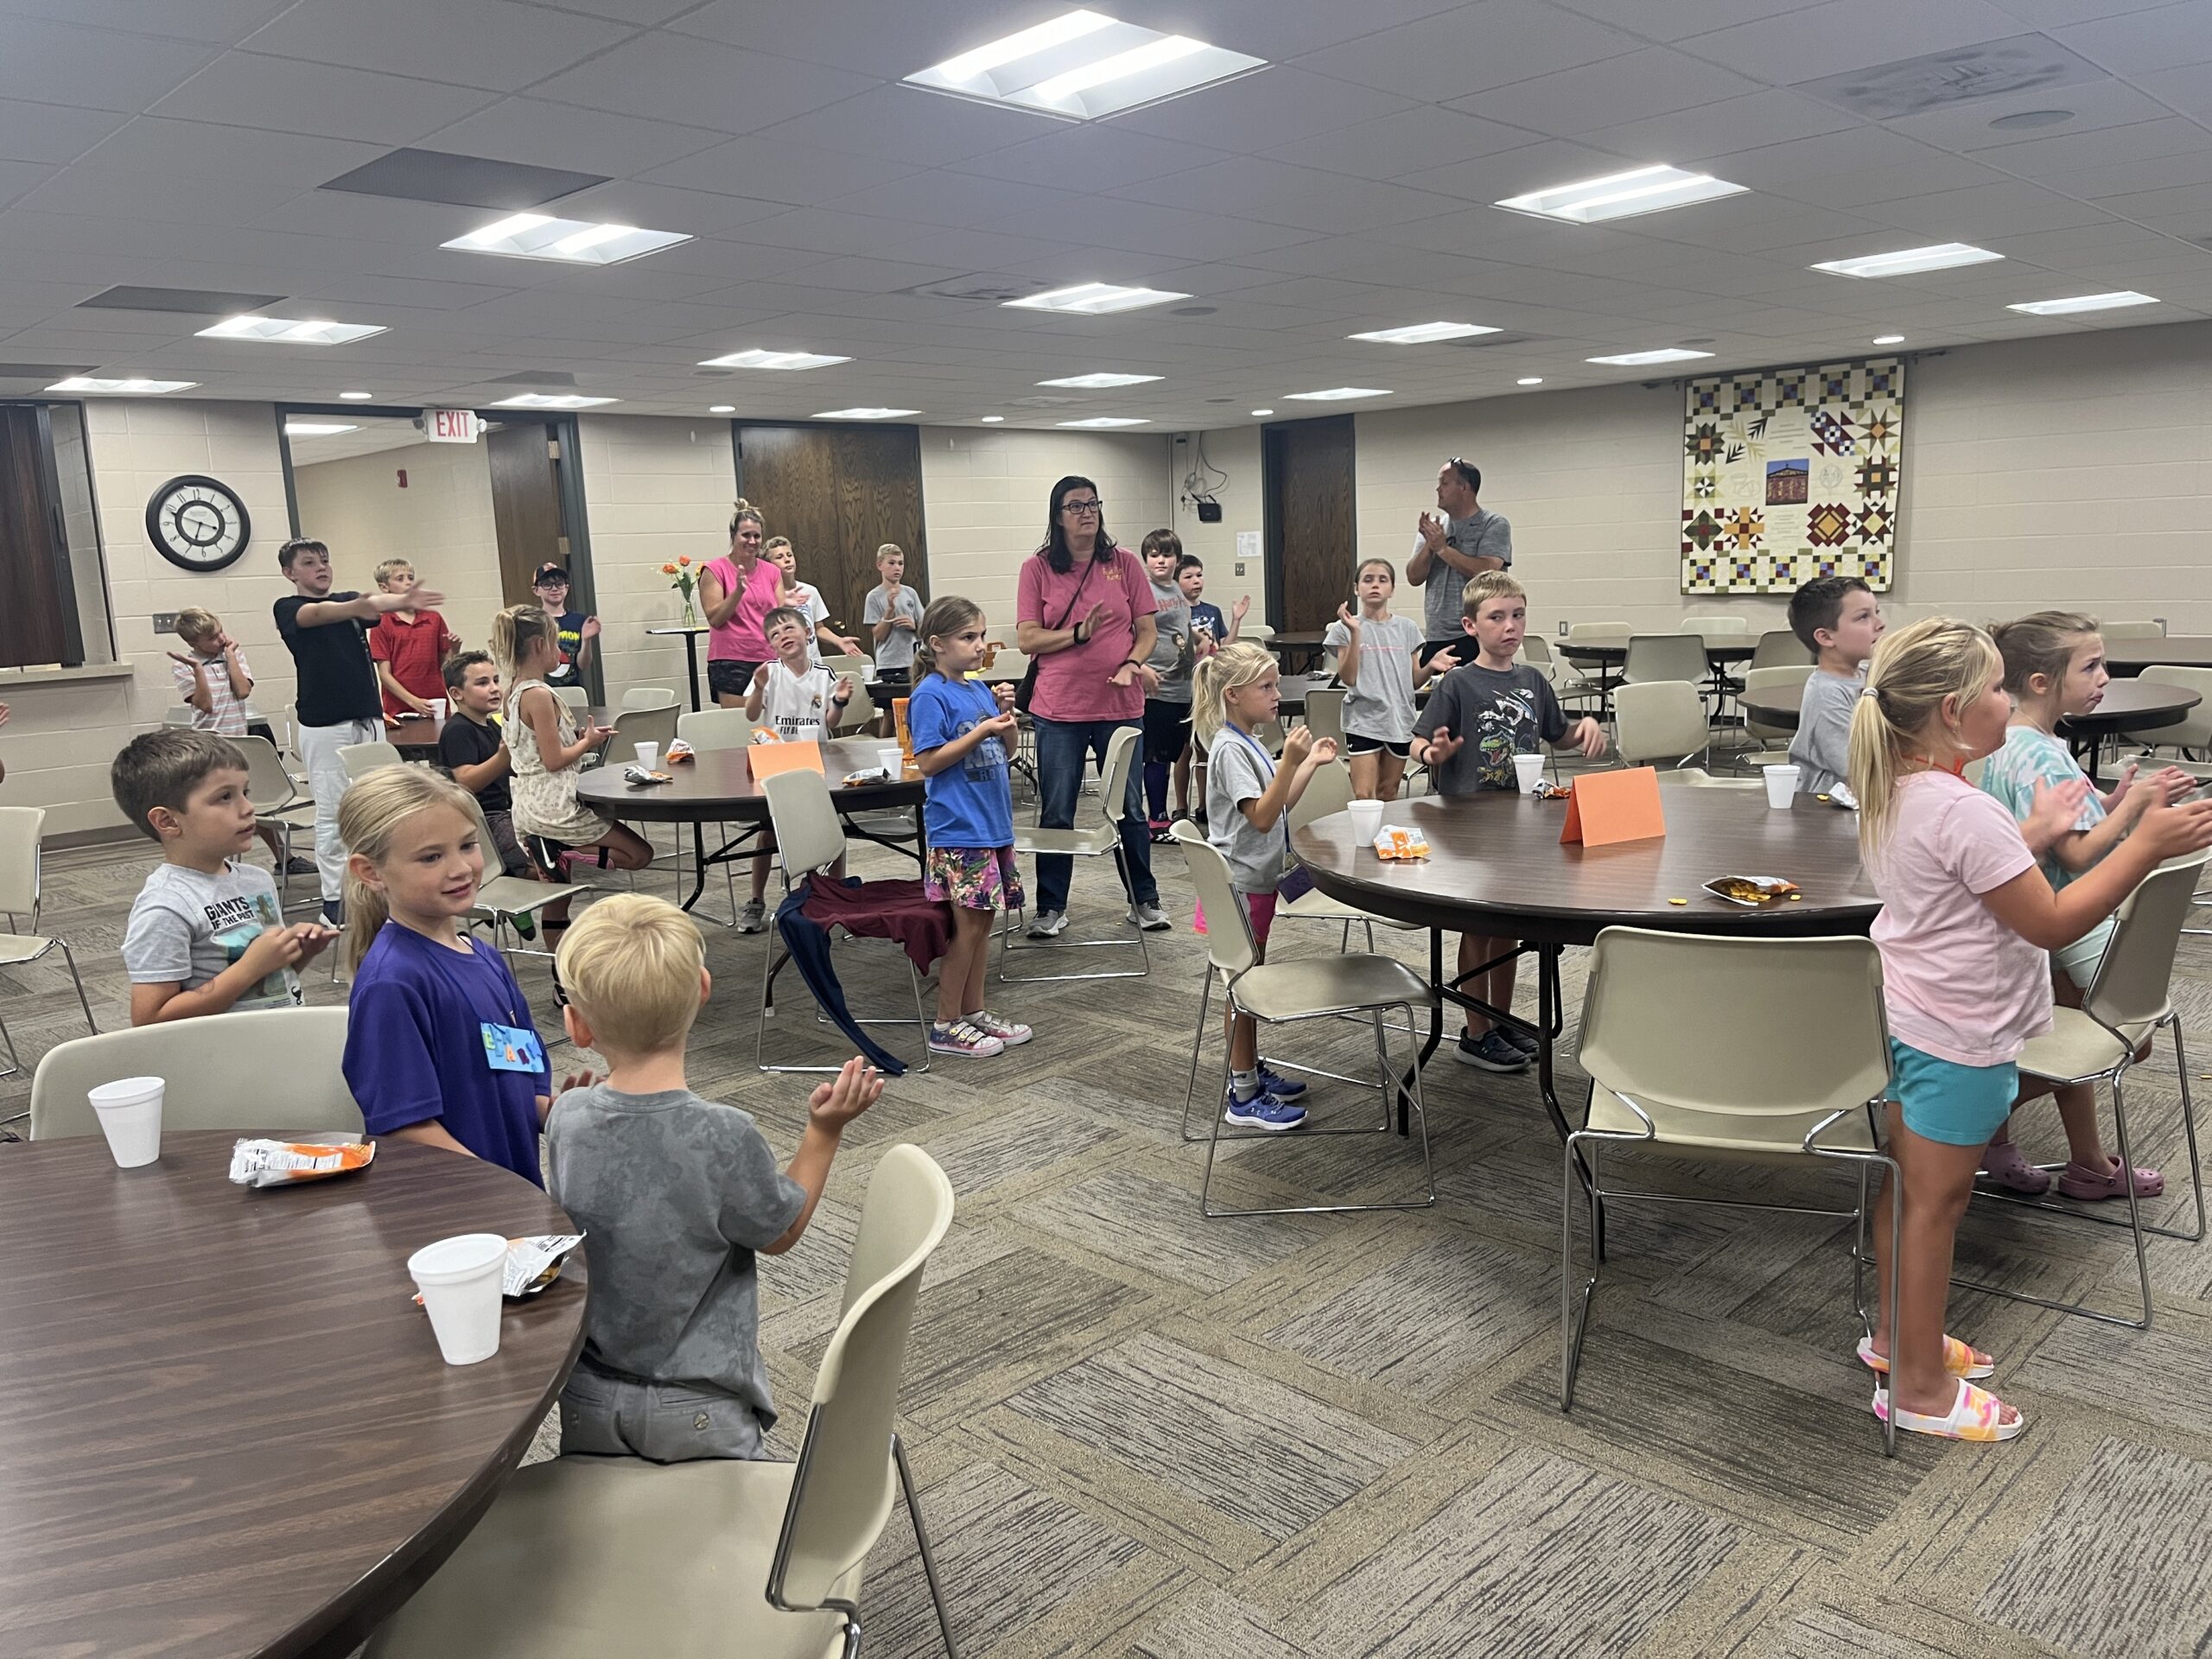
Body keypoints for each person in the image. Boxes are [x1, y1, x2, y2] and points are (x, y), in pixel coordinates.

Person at [1849, 616, 2212, 1441]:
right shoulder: (1961, 809)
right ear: (1953, 710)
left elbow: (1965, 871)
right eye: (1997, 688)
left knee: (1906, 1186)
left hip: (1911, 1018)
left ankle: (1893, 1338)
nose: (2008, 700)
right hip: (1959, 1035)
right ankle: (1917, 1386)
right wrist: (2146, 844)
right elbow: (2050, 922)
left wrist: (2039, 831)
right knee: (1937, 1204)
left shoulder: (1905, 790)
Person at [544, 893, 880, 1460]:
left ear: (576, 1026)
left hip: (587, 1395)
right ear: (703, 987)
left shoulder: (566, 1117)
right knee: (729, 1543)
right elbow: (780, 1231)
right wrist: (823, 1133)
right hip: (701, 1407)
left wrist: (575, 1110)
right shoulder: (723, 1133)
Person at [1976, 612, 2196, 1201]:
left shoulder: (2036, 739)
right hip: (2060, 916)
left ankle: (2086, 1162)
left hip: (2045, 920)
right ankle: (1970, 1119)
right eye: (2092, 666)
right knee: (2127, 1034)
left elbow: (2074, 808)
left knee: (2067, 1027)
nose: (2104, 677)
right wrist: (2134, 811)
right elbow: (2074, 852)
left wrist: (2114, 797)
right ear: (2043, 682)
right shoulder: (2034, 750)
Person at [339, 766, 591, 1185]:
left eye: (468, 845)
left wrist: (567, 1114)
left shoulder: (486, 958)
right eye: (431, 857)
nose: (461, 868)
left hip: (511, 1194)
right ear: (371, 872)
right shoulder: (393, 983)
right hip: (460, 1212)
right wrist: (499, 1188)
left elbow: (515, 1082)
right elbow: (406, 1127)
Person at [1411, 571, 1605, 1072]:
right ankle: (1474, 1032)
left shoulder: (1533, 680)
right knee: (1477, 930)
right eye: (1497, 617)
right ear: (1470, 625)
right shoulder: (1457, 682)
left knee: (1507, 930)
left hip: (1521, 825)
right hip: (1469, 825)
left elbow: (1556, 735)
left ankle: (1500, 1021)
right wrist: (1433, 751)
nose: (1510, 626)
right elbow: (1416, 742)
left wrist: (1581, 729)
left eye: (1517, 615)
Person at [1014, 475, 1167, 938]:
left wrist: (1133, 663)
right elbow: (1027, 639)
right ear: (1057, 516)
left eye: (1093, 503)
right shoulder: (1038, 568)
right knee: (1057, 810)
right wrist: (1076, 635)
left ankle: (1144, 899)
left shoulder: (1124, 564)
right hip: (1059, 710)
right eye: (1075, 506)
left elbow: (1146, 631)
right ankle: (1051, 906)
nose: (1087, 512)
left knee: (1129, 808)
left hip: (1121, 705)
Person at [1193, 641, 1338, 1129]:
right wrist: (1290, 760)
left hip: (1253, 885)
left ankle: (1249, 1069)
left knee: (1248, 982)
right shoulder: (1230, 749)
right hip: (1239, 888)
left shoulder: (1248, 738)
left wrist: (1306, 764)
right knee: (1242, 987)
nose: (1278, 695)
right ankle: (1244, 1093)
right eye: (1267, 686)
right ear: (1234, 695)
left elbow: (1277, 805)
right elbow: (1259, 817)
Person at [274, 537, 444, 924]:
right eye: (309, 562)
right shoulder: (289, 608)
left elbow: (371, 605)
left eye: (325, 560)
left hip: (368, 719)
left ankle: (378, 890)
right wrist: (366, 605)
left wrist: (396, 602)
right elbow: (326, 614)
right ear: (290, 573)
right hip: (326, 725)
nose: (321, 567)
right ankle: (335, 902)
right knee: (334, 814)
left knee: (376, 808)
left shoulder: (349, 601)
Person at [114, 728, 336, 1025]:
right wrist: (250, 968)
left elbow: (264, 985)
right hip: (221, 1057)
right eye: (224, 797)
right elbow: (150, 1019)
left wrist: (297, 955)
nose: (248, 808)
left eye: (245, 793)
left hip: (276, 1039)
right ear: (168, 821)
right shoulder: (166, 907)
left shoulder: (256, 880)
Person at [909, 594, 1029, 1059]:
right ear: (937, 644)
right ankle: (945, 1022)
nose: (980, 646)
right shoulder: (929, 695)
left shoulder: (978, 689)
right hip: (960, 829)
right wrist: (979, 731)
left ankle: (973, 1010)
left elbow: (1011, 750)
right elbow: (929, 762)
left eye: (981, 636)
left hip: (992, 825)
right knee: (968, 929)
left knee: (985, 925)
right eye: (968, 637)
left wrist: (1006, 718)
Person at [495, 605, 653, 893]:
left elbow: (536, 746)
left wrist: (577, 737)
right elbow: (553, 760)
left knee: (557, 900)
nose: (559, 650)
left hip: (527, 804)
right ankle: (559, 850)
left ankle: (553, 853)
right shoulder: (539, 695)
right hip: (554, 804)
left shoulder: (511, 692)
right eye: (555, 642)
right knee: (639, 855)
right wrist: (587, 743)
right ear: (541, 645)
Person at [736, 606, 856, 932]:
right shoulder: (768, 673)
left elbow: (830, 721)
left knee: (832, 828)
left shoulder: (823, 675)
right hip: (776, 762)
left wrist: (841, 702)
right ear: (771, 646)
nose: (784, 637)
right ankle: (756, 899)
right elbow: (750, 715)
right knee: (767, 833)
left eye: (789, 629)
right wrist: (759, 688)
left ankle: (832, 895)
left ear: (807, 632)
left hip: (816, 762)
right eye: (775, 635)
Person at [167, 607, 309, 872]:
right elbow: (205, 705)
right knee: (216, 807)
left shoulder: (232, 655)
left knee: (253, 802)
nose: (220, 639)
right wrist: (198, 669)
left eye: (220, 632)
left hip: (240, 742)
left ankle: (285, 859)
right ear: (193, 643)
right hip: (209, 746)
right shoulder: (184, 666)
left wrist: (230, 656)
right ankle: (210, 862)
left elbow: (243, 691)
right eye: (212, 638)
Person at [1324, 558, 1455, 803]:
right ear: (1356, 588)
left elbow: (1414, 681)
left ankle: (1386, 841)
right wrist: (1355, 632)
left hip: (1399, 719)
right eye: (1368, 579)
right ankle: (1363, 840)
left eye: (1382, 580)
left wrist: (1431, 667)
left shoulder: (1407, 628)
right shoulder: (1343, 628)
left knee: (1388, 793)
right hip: (1363, 719)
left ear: (1392, 589)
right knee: (1364, 795)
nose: (1375, 585)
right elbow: (1349, 677)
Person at [435, 650, 531, 879]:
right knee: (540, 868)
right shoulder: (459, 730)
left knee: (555, 848)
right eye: (482, 683)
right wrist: (504, 756)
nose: (494, 688)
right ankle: (520, 908)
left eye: (495, 680)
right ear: (457, 694)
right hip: (486, 818)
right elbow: (465, 781)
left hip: (509, 810)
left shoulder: (491, 726)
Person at [1407, 457, 1513, 663]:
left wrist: (1443, 549)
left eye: (1444, 484)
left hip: (1476, 635)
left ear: (1464, 487)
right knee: (1430, 694)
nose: (1438, 490)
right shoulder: (1435, 528)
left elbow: (1486, 571)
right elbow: (1413, 577)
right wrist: (1430, 546)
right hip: (1437, 634)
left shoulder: (1493, 524)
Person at [1786, 574, 1884, 797]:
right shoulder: (1826, 695)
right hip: (1826, 813)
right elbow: (1860, 770)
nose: (1880, 624)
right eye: (1863, 617)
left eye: (1876, 612)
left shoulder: (1872, 675)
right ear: (1826, 637)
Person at [1173, 553, 1246, 820]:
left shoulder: (1211, 611)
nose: (1196, 581)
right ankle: (1181, 807)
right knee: (1183, 751)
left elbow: (1224, 647)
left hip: (1209, 687)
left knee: (1206, 747)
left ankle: (1204, 806)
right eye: (1188, 576)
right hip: (1183, 688)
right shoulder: (1174, 613)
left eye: (1199, 575)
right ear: (1176, 581)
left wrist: (1237, 619)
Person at [1139, 529, 1198, 841]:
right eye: (1154, 555)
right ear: (1146, 560)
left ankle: (1173, 814)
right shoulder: (1144, 591)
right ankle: (1157, 820)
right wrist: (1141, 666)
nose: (1160, 561)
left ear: (1177, 559)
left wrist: (1198, 640)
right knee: (1156, 755)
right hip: (1157, 688)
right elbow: (1129, 632)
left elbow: (1180, 626)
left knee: (1179, 752)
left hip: (1183, 686)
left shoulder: (1175, 588)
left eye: (1167, 555)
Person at [698, 499, 784, 708]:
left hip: (768, 657)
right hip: (731, 659)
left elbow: (780, 617)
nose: (752, 541)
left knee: (773, 722)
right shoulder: (714, 569)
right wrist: (738, 592)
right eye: (746, 535)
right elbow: (715, 618)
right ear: (733, 536)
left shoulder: (772, 571)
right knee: (739, 725)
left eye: (757, 536)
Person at [368, 557, 461, 721]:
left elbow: (445, 666)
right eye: (400, 579)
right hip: (399, 707)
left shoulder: (434, 618)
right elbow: (384, 674)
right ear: (384, 587)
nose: (408, 583)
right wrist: (414, 701)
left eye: (411, 578)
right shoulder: (381, 622)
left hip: (435, 703)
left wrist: (454, 649)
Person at [863, 543, 926, 690]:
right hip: (888, 663)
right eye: (891, 563)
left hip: (912, 661)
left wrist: (914, 626)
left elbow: (925, 630)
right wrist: (890, 610)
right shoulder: (873, 597)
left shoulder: (910, 593)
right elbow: (878, 636)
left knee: (911, 703)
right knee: (889, 707)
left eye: (900, 563)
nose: (897, 568)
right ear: (880, 565)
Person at [532, 563, 601, 690]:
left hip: (572, 690)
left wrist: (586, 640)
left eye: (559, 584)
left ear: (567, 588)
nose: (554, 589)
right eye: (547, 584)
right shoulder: (532, 621)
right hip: (541, 690)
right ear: (536, 590)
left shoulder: (579, 620)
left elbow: (583, 665)